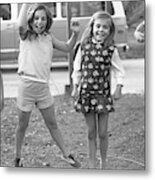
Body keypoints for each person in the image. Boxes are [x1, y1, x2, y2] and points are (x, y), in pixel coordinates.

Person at [15, 3, 80, 168]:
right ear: (31, 20)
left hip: (43, 89)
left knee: (52, 124)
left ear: (48, 21)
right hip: (26, 87)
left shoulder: (48, 37)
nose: (40, 22)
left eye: (43, 18)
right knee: (22, 125)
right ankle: (18, 157)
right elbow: (20, 25)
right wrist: (24, 4)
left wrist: (75, 34)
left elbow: (67, 47)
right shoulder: (26, 36)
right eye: (36, 18)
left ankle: (66, 154)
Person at [71, 11, 125, 169]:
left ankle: (104, 161)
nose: (101, 30)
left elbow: (119, 70)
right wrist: (75, 87)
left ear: (110, 30)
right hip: (87, 94)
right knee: (91, 132)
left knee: (102, 132)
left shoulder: (111, 49)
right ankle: (92, 162)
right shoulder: (84, 47)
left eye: (105, 27)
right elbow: (77, 68)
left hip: (103, 95)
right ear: (92, 27)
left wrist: (119, 87)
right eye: (98, 26)